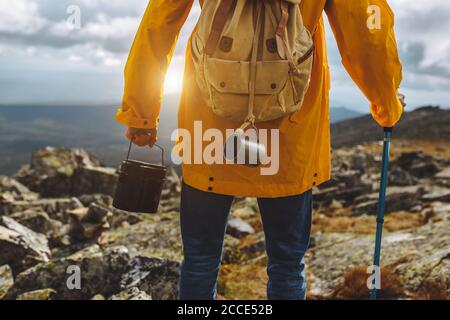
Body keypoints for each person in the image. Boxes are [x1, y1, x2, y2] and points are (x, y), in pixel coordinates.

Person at [115, 0, 406, 300]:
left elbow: (157, 25)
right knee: (287, 264)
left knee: (200, 259)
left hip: (209, 128)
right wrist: (387, 103)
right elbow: (366, 33)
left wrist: (141, 112)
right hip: (290, 129)